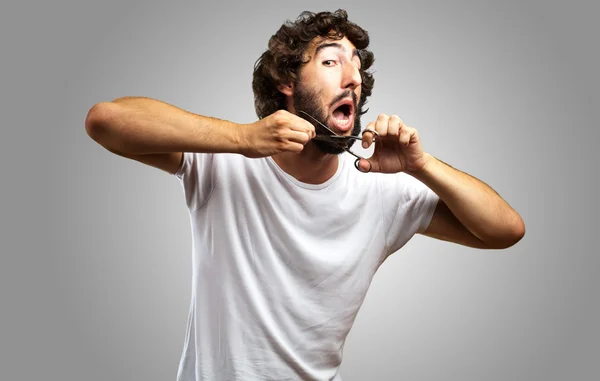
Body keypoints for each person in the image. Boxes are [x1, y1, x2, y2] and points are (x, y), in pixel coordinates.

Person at [85, 9, 525, 381]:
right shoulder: (225, 161)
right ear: (287, 82)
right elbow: (106, 121)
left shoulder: (383, 191)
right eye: (332, 62)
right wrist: (242, 138)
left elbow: (505, 230)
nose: (353, 77)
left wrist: (421, 166)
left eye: (356, 66)